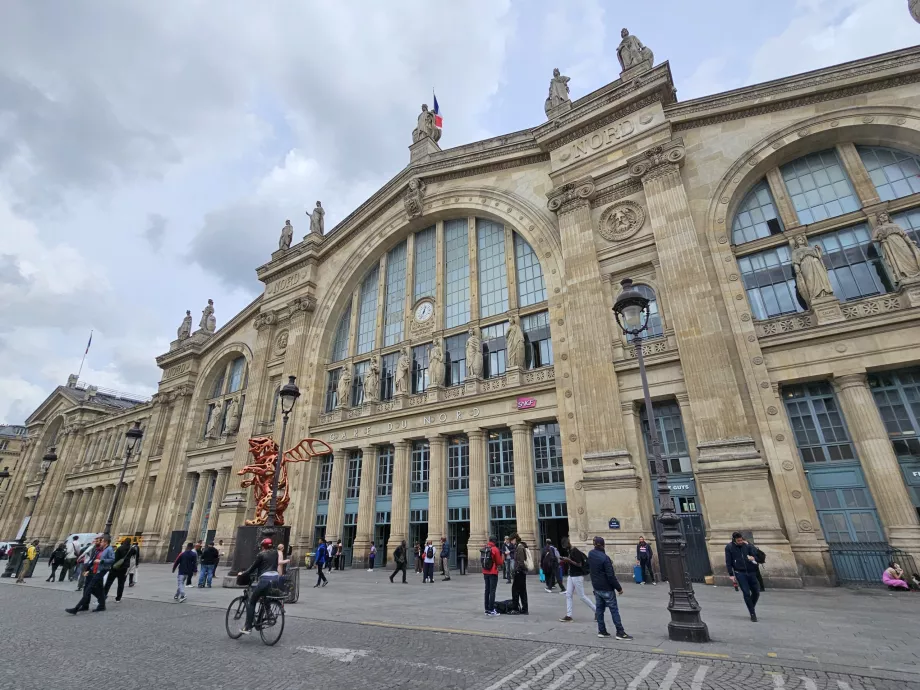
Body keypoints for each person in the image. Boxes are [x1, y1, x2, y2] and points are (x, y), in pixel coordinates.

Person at [588, 536, 632, 640]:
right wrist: (619, 588)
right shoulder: (605, 558)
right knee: (614, 610)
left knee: (599, 610)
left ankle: (602, 631)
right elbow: (611, 576)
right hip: (607, 588)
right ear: (603, 545)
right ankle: (620, 632)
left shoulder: (591, 554)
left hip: (597, 587)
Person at [239, 538, 281, 635]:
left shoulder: (261, 555)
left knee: (252, 601)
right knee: (265, 596)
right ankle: (269, 613)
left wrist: (243, 574)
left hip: (265, 579)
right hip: (275, 579)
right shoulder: (275, 553)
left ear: (263, 546)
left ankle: (248, 627)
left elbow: (253, 567)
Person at [66, 535, 114, 614]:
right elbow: (93, 560)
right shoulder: (99, 549)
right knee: (97, 589)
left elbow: (112, 559)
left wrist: (101, 561)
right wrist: (88, 569)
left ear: (105, 542)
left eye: (101, 541)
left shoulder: (109, 549)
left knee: (89, 589)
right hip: (93, 571)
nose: (100, 542)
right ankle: (100, 605)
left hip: (100, 571)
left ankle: (76, 608)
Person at [725, 531, 761, 622]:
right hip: (740, 573)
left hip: (751, 571)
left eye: (741, 540)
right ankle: (752, 613)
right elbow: (728, 562)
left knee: (756, 592)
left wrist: (754, 558)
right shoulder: (729, 547)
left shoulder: (747, 545)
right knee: (746, 593)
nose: (740, 542)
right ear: (734, 540)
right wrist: (731, 575)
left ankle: (750, 606)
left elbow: (757, 555)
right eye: (738, 541)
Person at [559, 537, 596, 622]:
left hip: (577, 576)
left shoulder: (575, 551)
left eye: (565, 546)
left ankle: (597, 611)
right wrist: (565, 560)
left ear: (568, 544)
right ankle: (569, 615)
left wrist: (569, 560)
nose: (564, 548)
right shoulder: (570, 551)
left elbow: (579, 564)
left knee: (582, 596)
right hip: (571, 575)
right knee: (568, 595)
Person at [481, 536, 503, 616]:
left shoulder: (485, 547)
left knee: (487, 590)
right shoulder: (495, 549)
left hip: (485, 571)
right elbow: (499, 562)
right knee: (492, 591)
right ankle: (491, 609)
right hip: (493, 572)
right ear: (495, 541)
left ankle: (486, 609)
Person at [509, 533, 529, 615]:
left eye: (511, 540)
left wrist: (516, 570)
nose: (511, 542)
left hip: (520, 572)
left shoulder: (520, 547)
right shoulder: (519, 546)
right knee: (522, 591)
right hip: (521, 572)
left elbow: (520, 561)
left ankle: (516, 608)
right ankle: (524, 609)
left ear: (515, 539)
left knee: (515, 590)